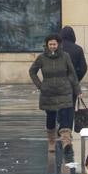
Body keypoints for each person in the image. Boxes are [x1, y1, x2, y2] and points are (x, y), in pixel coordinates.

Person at [29, 33, 81, 164]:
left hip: (64, 91)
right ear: (47, 45)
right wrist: (40, 85)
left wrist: (77, 90)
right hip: (49, 93)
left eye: (54, 44)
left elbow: (72, 73)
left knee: (65, 116)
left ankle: (66, 143)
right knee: (50, 117)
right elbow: (32, 71)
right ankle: (51, 142)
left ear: (58, 45)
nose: (52, 46)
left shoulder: (65, 56)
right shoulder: (41, 58)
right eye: (50, 44)